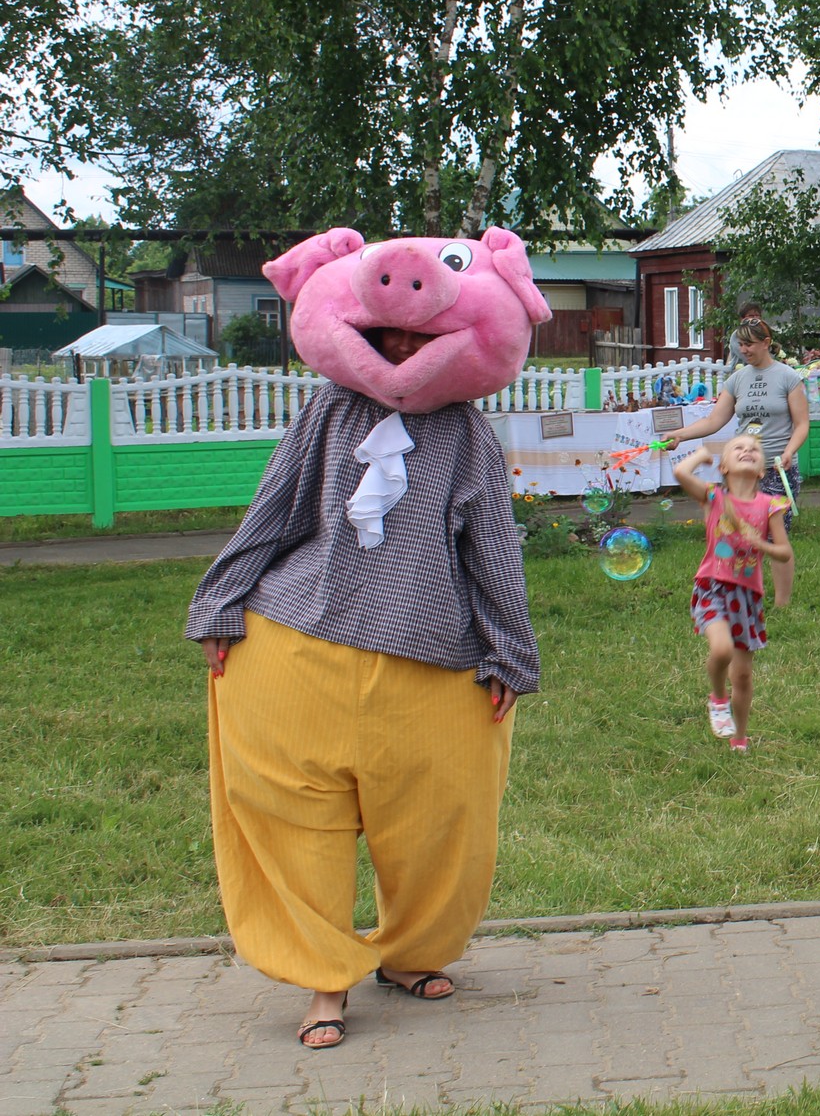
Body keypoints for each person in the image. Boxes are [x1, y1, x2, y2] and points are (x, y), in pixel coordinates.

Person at [186, 226, 551, 1050]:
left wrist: (508, 650)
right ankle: (324, 980)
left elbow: (491, 546)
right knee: (296, 819)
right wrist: (220, 601)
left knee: (438, 822)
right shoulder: (327, 410)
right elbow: (276, 506)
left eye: (421, 339)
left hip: (432, 651)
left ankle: (410, 952)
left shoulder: (467, 436)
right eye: (390, 335)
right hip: (297, 637)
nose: (404, 349)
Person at [662, 320, 809, 607]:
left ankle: (782, 603)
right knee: (735, 534)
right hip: (741, 471)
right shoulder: (737, 379)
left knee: (776, 536)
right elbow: (713, 420)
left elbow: (802, 424)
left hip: (776, 467)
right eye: (741, 345)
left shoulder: (788, 377)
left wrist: (790, 451)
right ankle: (738, 590)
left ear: (766, 342)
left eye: (749, 344)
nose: (744, 350)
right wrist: (679, 435)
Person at [673, 433, 793, 753]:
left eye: (754, 449)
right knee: (722, 649)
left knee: (742, 677)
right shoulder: (713, 498)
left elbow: (784, 553)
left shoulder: (770, 506)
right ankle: (717, 698)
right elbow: (680, 472)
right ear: (724, 466)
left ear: (762, 470)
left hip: (747, 598)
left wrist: (761, 544)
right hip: (712, 586)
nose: (747, 450)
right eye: (738, 448)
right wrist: (701, 454)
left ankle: (739, 737)